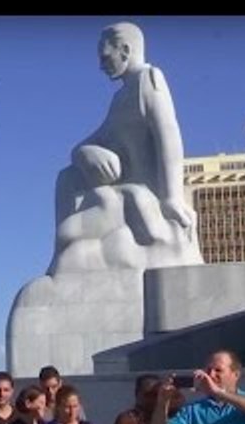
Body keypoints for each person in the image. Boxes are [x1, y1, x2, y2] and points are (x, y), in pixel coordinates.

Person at [50, 22, 201, 274]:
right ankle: (61, 262)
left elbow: (169, 135)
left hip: (143, 196)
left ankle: (69, 259)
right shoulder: (120, 97)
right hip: (119, 193)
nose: (101, 65)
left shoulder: (149, 80)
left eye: (106, 56)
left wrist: (172, 196)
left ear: (125, 50)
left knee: (68, 234)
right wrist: (84, 152)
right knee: (67, 178)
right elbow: (98, 136)